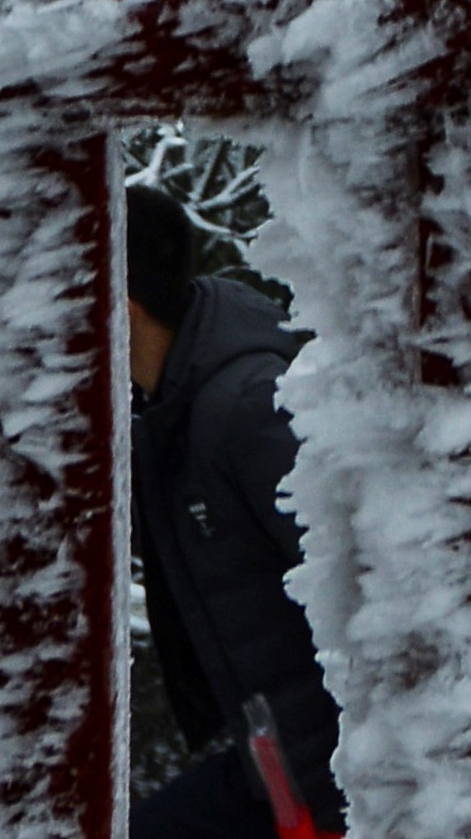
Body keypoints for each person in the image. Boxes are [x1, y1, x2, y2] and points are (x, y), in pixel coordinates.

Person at [122, 186, 342, 838]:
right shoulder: (166, 406)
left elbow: (360, 590)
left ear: (119, 308)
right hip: (272, 772)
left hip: (335, 786)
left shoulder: (247, 406)